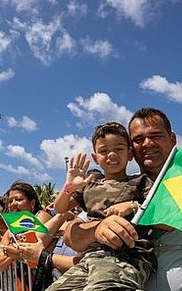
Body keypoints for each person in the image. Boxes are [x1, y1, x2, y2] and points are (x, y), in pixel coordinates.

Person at [63, 108, 182, 290]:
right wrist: (98, 229)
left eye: (156, 136)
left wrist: (135, 208)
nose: (147, 143)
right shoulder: (117, 189)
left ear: (172, 139)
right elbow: (71, 235)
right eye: (138, 140)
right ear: (131, 149)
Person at [48, 122, 154, 290]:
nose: (111, 155)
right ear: (95, 157)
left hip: (127, 255)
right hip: (90, 256)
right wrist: (69, 186)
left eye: (119, 149)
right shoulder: (89, 186)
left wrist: (132, 205)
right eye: (104, 151)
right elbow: (60, 208)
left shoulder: (140, 181)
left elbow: (157, 207)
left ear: (130, 153)